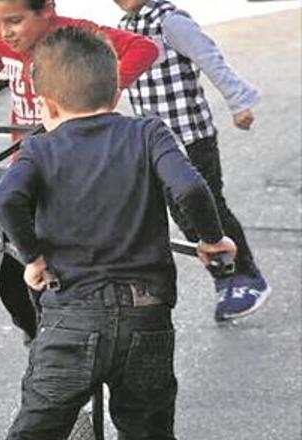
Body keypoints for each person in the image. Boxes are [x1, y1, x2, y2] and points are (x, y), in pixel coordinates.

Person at [0, 26, 237, 440]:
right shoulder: (148, 133)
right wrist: (210, 240)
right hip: (146, 320)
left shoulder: (40, 147)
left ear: (48, 106)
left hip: (71, 322)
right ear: (115, 88)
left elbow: (6, 199)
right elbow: (188, 187)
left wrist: (33, 257)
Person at [0, 0, 160, 342]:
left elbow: (142, 48)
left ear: (47, 10)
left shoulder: (74, 35)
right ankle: (35, 322)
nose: (3, 32)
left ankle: (77, 322)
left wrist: (111, 87)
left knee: (69, 247)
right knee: (17, 246)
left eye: (14, 21)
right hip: (28, 158)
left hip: (75, 162)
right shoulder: (0, 40)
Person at [114, 0, 270, 321]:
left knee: (210, 207)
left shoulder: (170, 21)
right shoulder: (126, 28)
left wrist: (239, 103)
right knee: (185, 217)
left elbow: (210, 59)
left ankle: (248, 276)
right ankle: (225, 279)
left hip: (191, 138)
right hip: (157, 146)